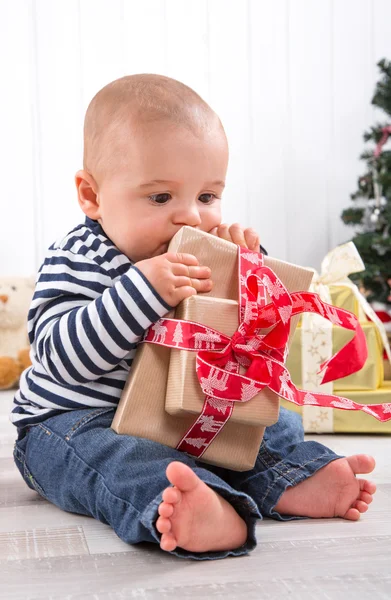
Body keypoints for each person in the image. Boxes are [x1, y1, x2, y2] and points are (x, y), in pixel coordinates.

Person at [11, 74, 376, 560]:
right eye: (161, 198)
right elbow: (58, 355)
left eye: (206, 197)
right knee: (123, 461)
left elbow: (247, 337)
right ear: (92, 196)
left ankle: (294, 477)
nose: (192, 218)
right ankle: (195, 505)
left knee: (269, 426)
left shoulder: (203, 250)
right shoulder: (78, 257)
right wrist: (142, 291)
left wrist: (245, 268)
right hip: (76, 421)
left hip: (181, 416)